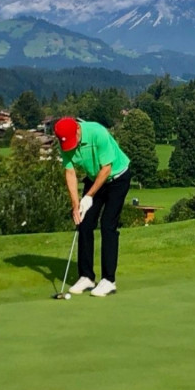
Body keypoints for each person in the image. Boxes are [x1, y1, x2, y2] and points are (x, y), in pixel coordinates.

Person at [53, 116, 131, 297]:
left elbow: (106, 169)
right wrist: (75, 204)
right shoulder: (64, 143)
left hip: (117, 177)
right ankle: (86, 276)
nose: (70, 147)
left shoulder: (97, 133)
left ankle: (108, 280)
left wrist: (88, 196)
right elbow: (70, 172)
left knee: (107, 225)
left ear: (78, 131)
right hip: (94, 178)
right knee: (85, 223)